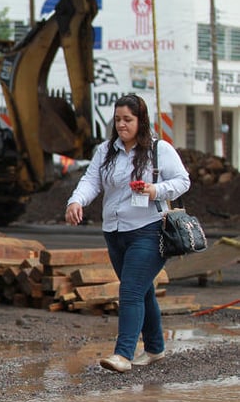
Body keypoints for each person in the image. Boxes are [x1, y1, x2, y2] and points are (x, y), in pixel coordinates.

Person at [65, 94, 190, 373]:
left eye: (128, 120)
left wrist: (155, 190)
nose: (122, 125)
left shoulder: (160, 150)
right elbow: (91, 180)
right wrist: (76, 201)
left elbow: (183, 180)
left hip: (150, 230)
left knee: (131, 290)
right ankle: (156, 349)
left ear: (141, 121)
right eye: (118, 119)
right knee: (143, 292)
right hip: (115, 231)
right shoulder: (105, 150)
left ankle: (123, 355)